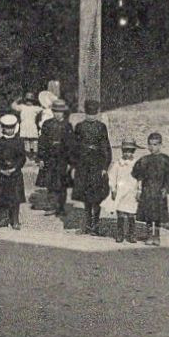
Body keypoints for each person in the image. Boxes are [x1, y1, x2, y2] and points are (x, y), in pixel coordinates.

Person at [70, 99, 112, 235]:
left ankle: (96, 224)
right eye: (89, 113)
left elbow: (105, 147)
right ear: (85, 113)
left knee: (97, 195)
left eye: (93, 113)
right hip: (83, 164)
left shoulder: (101, 127)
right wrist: (74, 165)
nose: (91, 116)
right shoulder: (80, 127)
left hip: (96, 164)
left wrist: (105, 166)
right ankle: (87, 224)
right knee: (85, 195)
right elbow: (74, 147)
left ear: (97, 113)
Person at [132, 132, 169, 246]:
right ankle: (149, 235)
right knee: (148, 214)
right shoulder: (144, 160)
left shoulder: (165, 159)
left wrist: (166, 188)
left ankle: (157, 236)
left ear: (160, 145)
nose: (152, 147)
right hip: (148, 190)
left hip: (159, 190)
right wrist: (139, 188)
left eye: (155, 144)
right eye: (150, 144)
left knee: (158, 214)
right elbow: (137, 174)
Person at [36, 99, 75, 218]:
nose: (58, 114)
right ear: (52, 111)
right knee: (50, 183)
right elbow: (42, 142)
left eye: (60, 112)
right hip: (49, 158)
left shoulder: (67, 126)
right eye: (56, 111)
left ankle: (61, 207)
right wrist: (41, 158)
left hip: (62, 159)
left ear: (64, 113)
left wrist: (70, 162)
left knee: (62, 184)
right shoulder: (47, 124)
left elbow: (71, 145)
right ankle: (52, 205)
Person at [0, 114, 27, 229]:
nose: (9, 130)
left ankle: (15, 220)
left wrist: (14, 168)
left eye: (11, 127)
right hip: (1, 174)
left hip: (15, 173)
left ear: (15, 127)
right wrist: (0, 170)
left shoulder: (19, 141)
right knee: (2, 195)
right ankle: (4, 219)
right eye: (6, 127)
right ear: (2, 127)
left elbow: (22, 158)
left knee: (15, 197)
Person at [109, 138, 141, 243]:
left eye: (130, 151)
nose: (128, 153)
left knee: (131, 214)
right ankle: (120, 234)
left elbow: (140, 178)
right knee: (121, 214)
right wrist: (113, 189)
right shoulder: (118, 164)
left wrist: (139, 191)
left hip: (132, 192)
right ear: (122, 151)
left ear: (134, 152)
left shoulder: (137, 164)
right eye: (126, 151)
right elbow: (112, 177)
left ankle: (131, 234)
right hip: (121, 192)